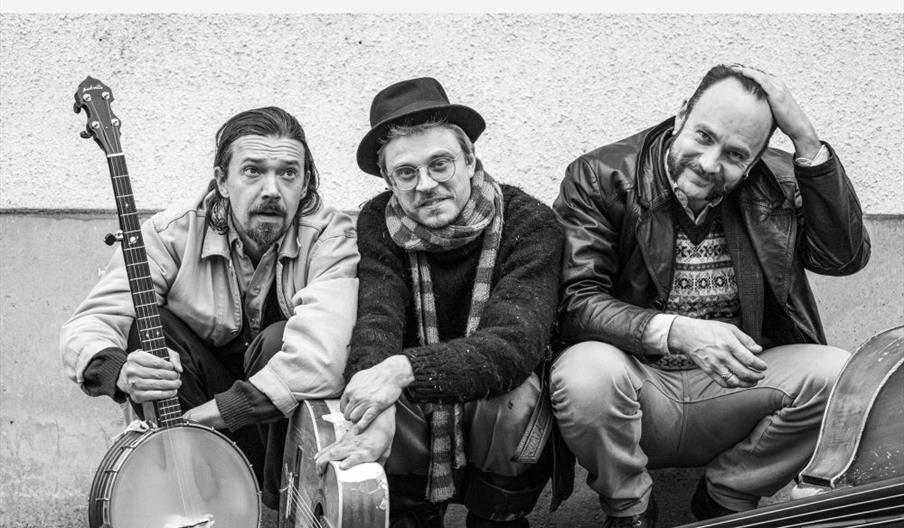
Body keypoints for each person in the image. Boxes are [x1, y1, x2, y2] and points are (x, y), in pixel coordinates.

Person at [550, 64, 871, 527]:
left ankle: (726, 499)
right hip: (639, 386)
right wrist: (679, 333)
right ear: (681, 115)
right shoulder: (600, 175)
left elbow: (844, 257)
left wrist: (807, 144)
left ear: (756, 159)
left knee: (840, 376)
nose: (708, 162)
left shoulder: (777, 182)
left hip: (735, 388)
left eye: (735, 154)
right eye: (703, 136)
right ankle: (630, 510)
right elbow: (576, 302)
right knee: (583, 373)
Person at [60, 106, 359, 510]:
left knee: (278, 339)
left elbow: (325, 356)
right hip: (192, 404)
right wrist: (121, 372)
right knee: (152, 330)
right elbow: (91, 324)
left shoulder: (330, 237)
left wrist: (213, 415)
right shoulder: (172, 234)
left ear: (305, 184)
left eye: (288, 173)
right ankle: (191, 500)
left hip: (278, 427)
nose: (272, 189)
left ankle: (275, 513)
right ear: (222, 180)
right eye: (253, 170)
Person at [313, 77, 564, 527]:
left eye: (440, 164)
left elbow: (514, 345)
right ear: (390, 180)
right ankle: (414, 512)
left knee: (515, 399)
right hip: (419, 406)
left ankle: (498, 517)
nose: (425, 184)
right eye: (406, 173)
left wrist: (400, 370)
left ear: (470, 161)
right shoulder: (379, 222)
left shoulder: (530, 222)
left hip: (497, 403)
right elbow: (377, 320)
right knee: (383, 399)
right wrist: (374, 410)